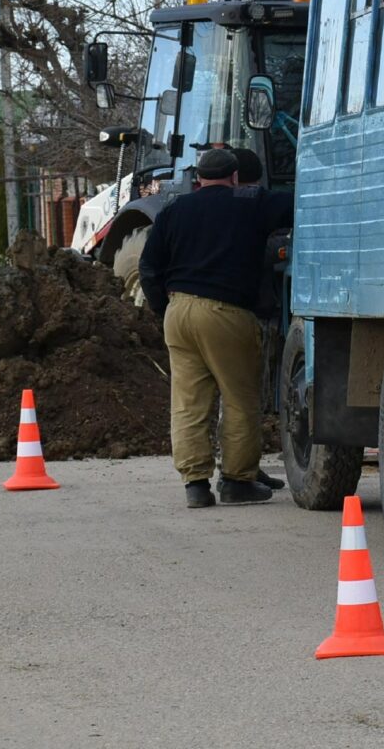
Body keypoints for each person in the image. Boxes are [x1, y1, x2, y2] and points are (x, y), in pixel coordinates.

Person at [139, 148, 294, 508]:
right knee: (239, 399)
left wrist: (165, 308)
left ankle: (195, 485)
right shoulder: (250, 203)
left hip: (178, 313)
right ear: (235, 177)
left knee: (188, 402)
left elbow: (149, 267)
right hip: (225, 312)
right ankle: (237, 481)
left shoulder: (173, 210)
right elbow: (297, 205)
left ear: (198, 179)